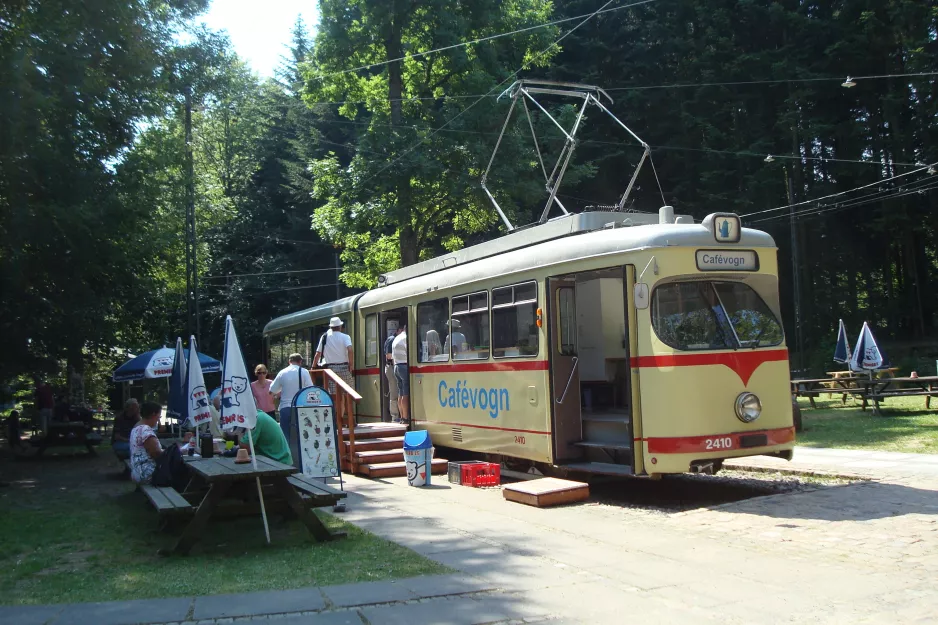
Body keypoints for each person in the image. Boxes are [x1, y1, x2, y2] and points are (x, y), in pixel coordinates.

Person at [270, 353, 313, 443]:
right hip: (300, 407)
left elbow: (272, 390)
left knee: (286, 436)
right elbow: (310, 390)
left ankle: (288, 455)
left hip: (285, 407)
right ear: (300, 361)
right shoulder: (304, 372)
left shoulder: (282, 372)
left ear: (289, 361)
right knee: (302, 435)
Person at [313, 317, 354, 396]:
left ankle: (337, 408)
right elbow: (350, 350)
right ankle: (345, 408)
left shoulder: (324, 337)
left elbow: (318, 353)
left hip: (331, 369)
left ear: (331, 327)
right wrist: (351, 365)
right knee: (348, 393)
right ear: (340, 326)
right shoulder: (346, 337)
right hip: (344, 368)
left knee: (334, 394)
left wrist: (313, 367)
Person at [128, 401, 164, 484]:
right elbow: (156, 454)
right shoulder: (145, 431)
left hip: (137, 471)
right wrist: (175, 451)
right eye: (159, 416)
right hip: (147, 473)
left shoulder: (136, 427)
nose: (158, 420)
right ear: (153, 414)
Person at [392, 325, 410, 425]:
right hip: (404, 365)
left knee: (400, 392)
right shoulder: (406, 338)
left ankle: (402, 416)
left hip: (396, 366)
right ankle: (406, 417)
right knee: (405, 393)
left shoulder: (397, 338)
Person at [384, 326, 401, 422]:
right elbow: (388, 356)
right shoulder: (392, 339)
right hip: (391, 367)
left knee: (398, 392)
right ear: (398, 330)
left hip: (394, 367)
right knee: (394, 392)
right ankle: (394, 417)